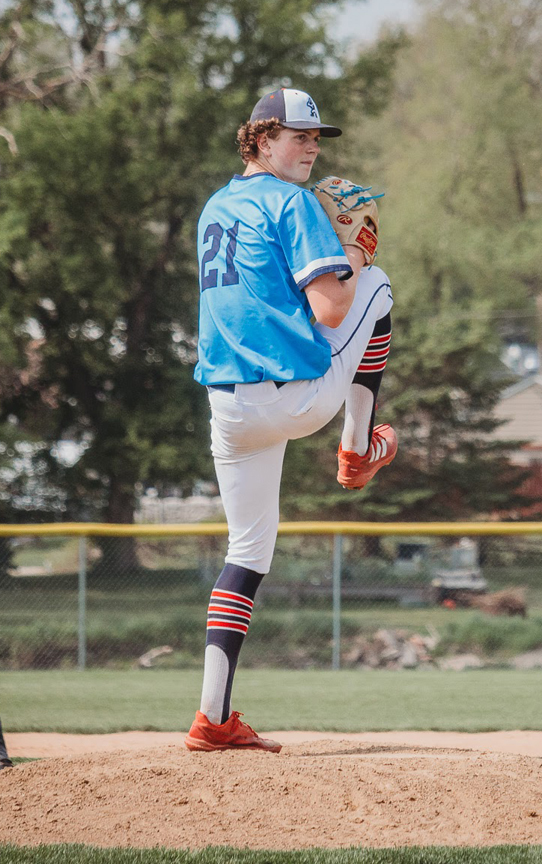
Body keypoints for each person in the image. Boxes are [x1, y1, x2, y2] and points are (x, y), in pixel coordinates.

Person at [185, 88, 396, 753]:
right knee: (380, 283)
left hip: (230, 410)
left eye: (316, 138)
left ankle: (211, 720)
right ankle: (357, 449)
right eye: (297, 136)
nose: (310, 148)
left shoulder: (217, 207)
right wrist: (355, 252)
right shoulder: (290, 202)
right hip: (295, 399)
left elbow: (268, 304)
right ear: (261, 139)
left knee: (245, 554)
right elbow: (334, 309)